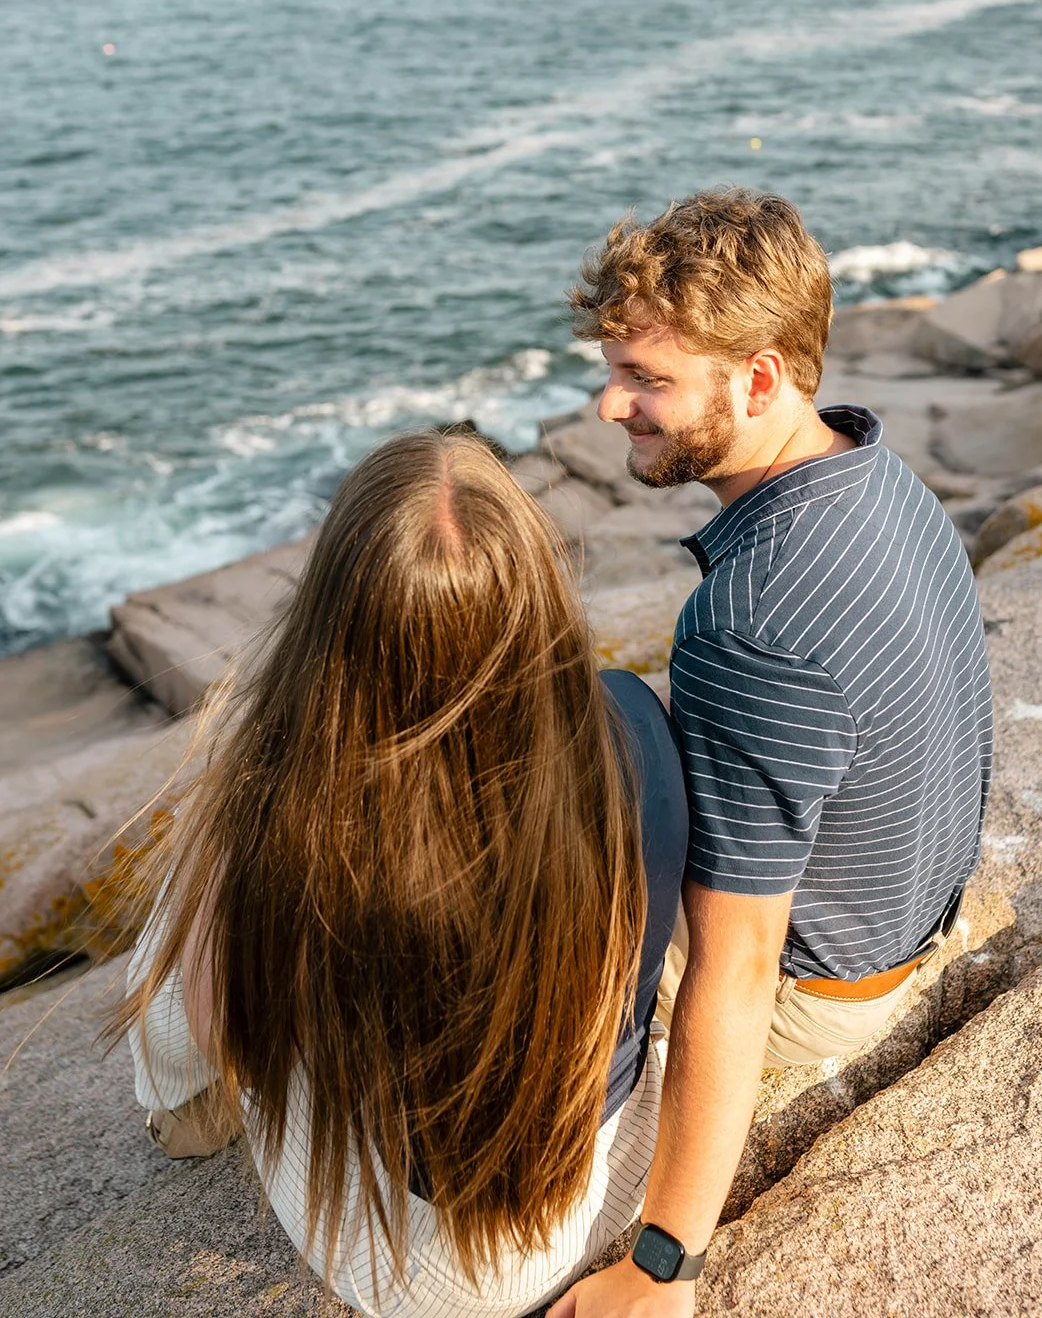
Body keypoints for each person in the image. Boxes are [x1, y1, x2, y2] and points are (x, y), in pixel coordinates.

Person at [115, 429, 688, 1318]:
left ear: (332, 621)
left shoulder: (297, 817)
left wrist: (238, 828)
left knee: (200, 891)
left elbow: (227, 1031)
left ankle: (177, 1116)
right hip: (599, 1191)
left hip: (429, 1271)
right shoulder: (635, 720)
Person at [553, 188, 992, 1316]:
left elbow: (735, 970)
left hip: (819, 989)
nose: (610, 405)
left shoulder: (750, 623)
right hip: (904, 910)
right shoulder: (871, 469)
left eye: (645, 379)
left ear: (755, 379)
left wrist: (660, 1262)